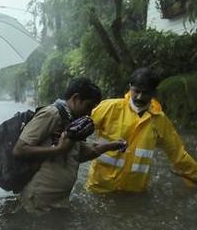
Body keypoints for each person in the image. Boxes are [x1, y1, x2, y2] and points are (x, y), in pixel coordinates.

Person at [85, 67, 197, 193]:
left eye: (146, 93)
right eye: (136, 91)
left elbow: (178, 154)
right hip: (100, 187)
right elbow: (79, 130)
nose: (139, 97)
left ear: (154, 92)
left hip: (134, 192)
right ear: (130, 87)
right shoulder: (110, 107)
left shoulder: (159, 120)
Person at [12, 77, 126, 212]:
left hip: (58, 201)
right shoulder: (52, 114)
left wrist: (111, 146)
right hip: (38, 200)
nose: (89, 113)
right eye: (88, 106)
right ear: (76, 98)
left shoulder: (71, 122)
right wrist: (58, 150)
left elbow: (80, 155)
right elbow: (19, 149)